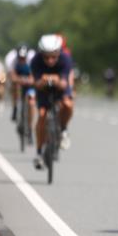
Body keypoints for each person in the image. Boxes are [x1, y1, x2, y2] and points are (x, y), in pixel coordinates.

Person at [30, 34, 75, 169]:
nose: (50, 60)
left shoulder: (65, 59)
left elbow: (63, 84)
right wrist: (46, 81)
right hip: (43, 90)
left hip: (60, 88)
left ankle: (63, 129)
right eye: (46, 57)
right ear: (41, 54)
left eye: (53, 56)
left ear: (58, 53)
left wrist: (52, 80)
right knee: (42, 115)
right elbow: (37, 84)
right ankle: (39, 153)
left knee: (67, 104)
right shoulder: (35, 61)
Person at [6, 44, 37, 134]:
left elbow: (34, 75)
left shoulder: (33, 58)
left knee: (32, 102)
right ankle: (15, 107)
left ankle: (30, 127)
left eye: (24, 58)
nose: (22, 60)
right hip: (17, 75)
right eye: (20, 58)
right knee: (15, 86)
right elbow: (12, 75)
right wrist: (19, 80)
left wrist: (30, 80)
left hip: (29, 76)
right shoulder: (11, 59)